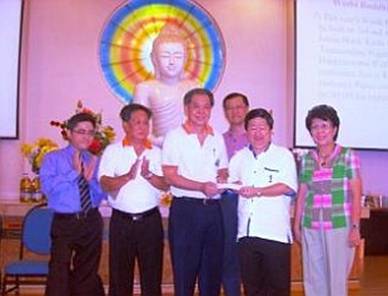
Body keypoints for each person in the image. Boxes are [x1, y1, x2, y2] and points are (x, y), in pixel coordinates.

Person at [162, 88, 228, 296]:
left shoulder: (216, 136)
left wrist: (224, 178)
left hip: (213, 210)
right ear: (186, 108)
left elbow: (222, 168)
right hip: (186, 210)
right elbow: (170, 175)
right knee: (184, 270)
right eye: (196, 106)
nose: (201, 111)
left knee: (212, 271)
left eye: (206, 107)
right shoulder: (174, 137)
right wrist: (201, 186)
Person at [98, 104, 168, 296]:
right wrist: (127, 177)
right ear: (125, 125)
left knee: (152, 277)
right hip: (121, 222)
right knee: (120, 278)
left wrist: (149, 176)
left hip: (150, 222)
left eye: (146, 123)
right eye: (137, 122)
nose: (143, 127)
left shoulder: (157, 152)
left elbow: (166, 185)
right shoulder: (112, 151)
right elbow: (104, 183)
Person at [293, 105, 362, 296]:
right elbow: (303, 194)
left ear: (334, 129)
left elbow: (356, 194)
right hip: (311, 225)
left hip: (339, 225)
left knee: (337, 278)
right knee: (313, 278)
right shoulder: (307, 158)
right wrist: (297, 225)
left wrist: (355, 227)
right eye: (315, 127)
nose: (320, 131)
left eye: (324, 126)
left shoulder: (347, 155)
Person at [228, 108, 297, 296]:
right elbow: (232, 184)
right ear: (246, 132)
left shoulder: (283, 156)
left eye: (262, 128)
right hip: (246, 235)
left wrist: (257, 191)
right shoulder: (238, 158)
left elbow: (287, 187)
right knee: (252, 289)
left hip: (275, 235)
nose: (257, 133)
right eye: (252, 128)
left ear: (271, 131)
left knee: (278, 289)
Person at [40, 112, 105, 296]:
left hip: (90, 219)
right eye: (81, 131)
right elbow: (48, 188)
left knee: (87, 272)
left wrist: (91, 181)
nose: (86, 136)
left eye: (91, 132)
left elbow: (100, 196)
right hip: (65, 222)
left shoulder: (94, 160)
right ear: (69, 133)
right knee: (59, 272)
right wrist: (74, 173)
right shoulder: (53, 158)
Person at [133, 24, 199, 145]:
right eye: (165, 56)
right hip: (158, 148)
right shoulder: (145, 88)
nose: (172, 62)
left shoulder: (194, 87)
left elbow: (201, 125)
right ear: (154, 59)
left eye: (178, 56)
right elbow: (138, 128)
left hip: (189, 148)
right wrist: (160, 142)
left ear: (185, 59)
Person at [220, 92, 250, 296]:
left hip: (251, 203)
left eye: (239, 107)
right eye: (230, 108)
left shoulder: (258, 139)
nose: (235, 111)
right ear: (225, 113)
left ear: (246, 109)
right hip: (226, 204)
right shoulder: (217, 140)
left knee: (250, 257)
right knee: (228, 257)